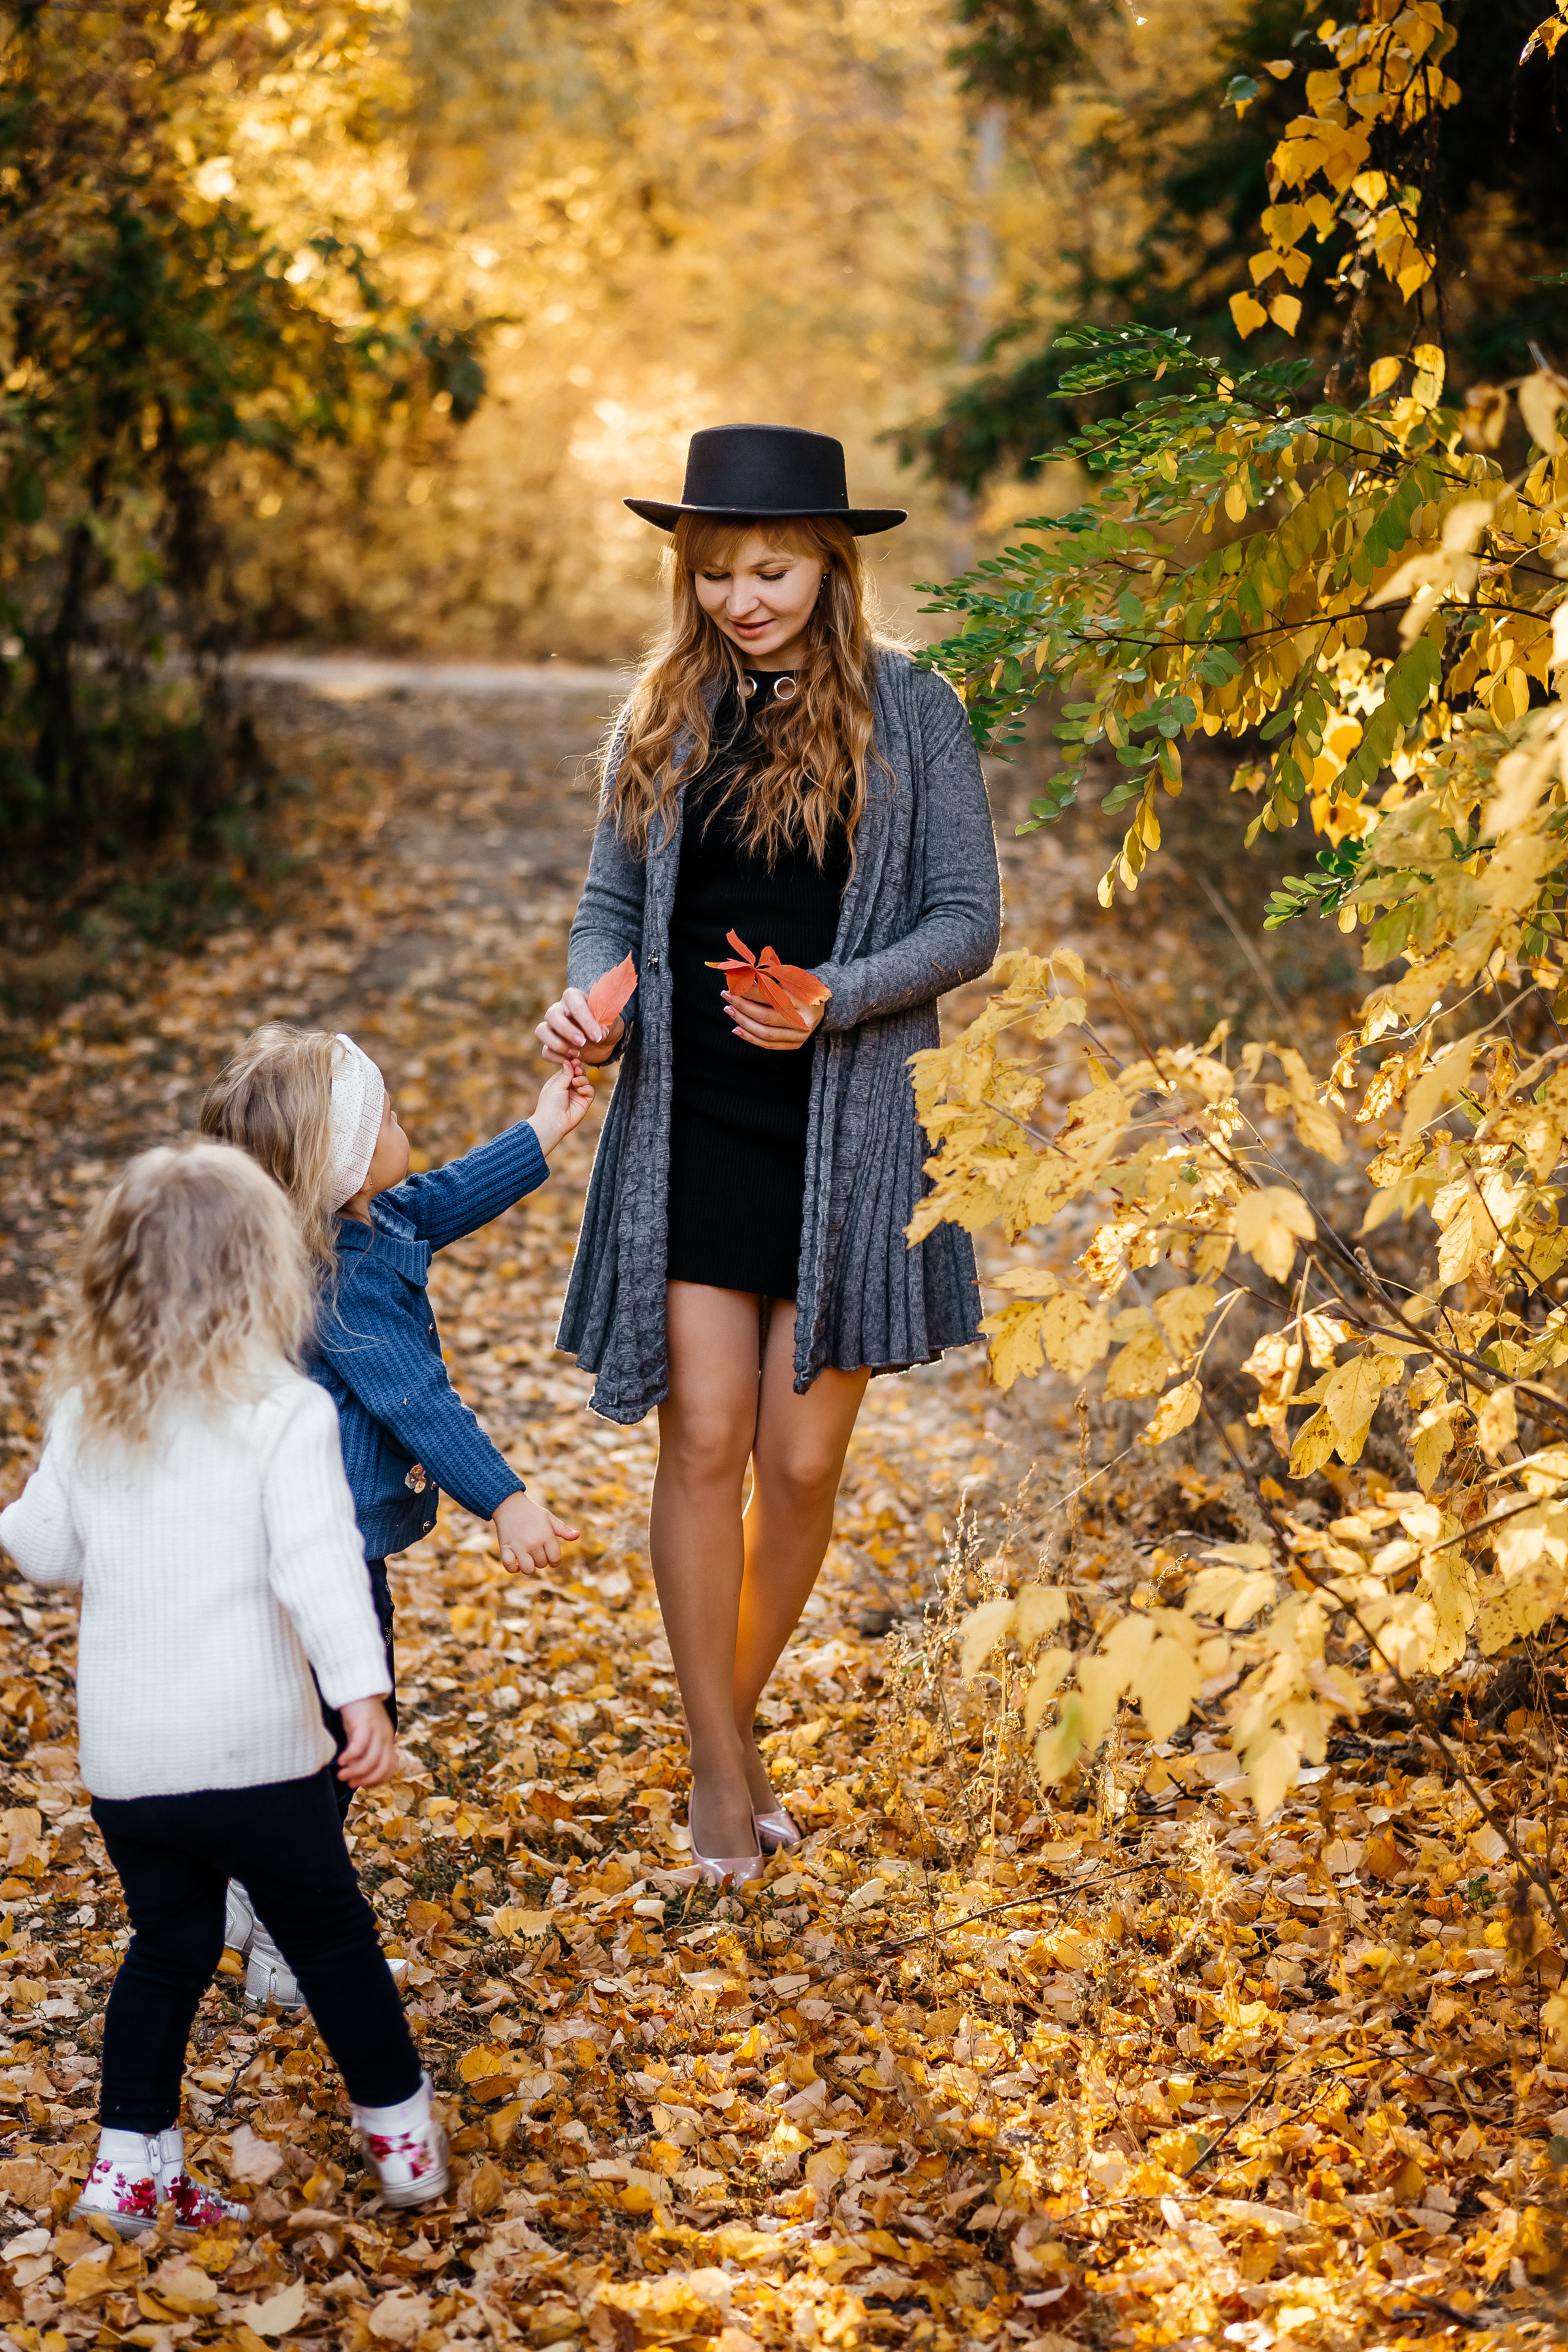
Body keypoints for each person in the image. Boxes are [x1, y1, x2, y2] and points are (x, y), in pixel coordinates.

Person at [537, 423, 1000, 1882]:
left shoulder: (914, 712)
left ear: (830, 562)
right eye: (721, 570)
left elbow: (968, 918)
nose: (745, 597)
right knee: (707, 1441)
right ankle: (723, 1793)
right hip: (695, 1125)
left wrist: (836, 999)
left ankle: (718, 1742)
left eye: (774, 567)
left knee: (801, 1466)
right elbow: (611, 909)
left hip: (849, 1128)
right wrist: (595, 1000)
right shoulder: (662, 714)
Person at [0, 1145, 448, 2229]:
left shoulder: (88, 1413)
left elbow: (47, 1550)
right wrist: (362, 1696)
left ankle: (127, 2167)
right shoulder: (279, 1412)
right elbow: (319, 1567)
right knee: (333, 1942)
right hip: (261, 1758)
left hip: (131, 1766)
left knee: (170, 1946)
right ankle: (403, 2145)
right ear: (266, 1277)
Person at [199, 1025, 591, 2002]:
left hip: (287, 1535)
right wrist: (506, 1498)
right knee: (342, 1725)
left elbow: (439, 1198)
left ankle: (242, 1883)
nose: (405, 1127)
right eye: (388, 1121)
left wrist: (541, 1132)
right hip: (321, 1545)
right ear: (339, 1165)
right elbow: (413, 1396)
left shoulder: (348, 1223)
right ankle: (290, 1922)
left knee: (301, 1721)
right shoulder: (344, 1279)